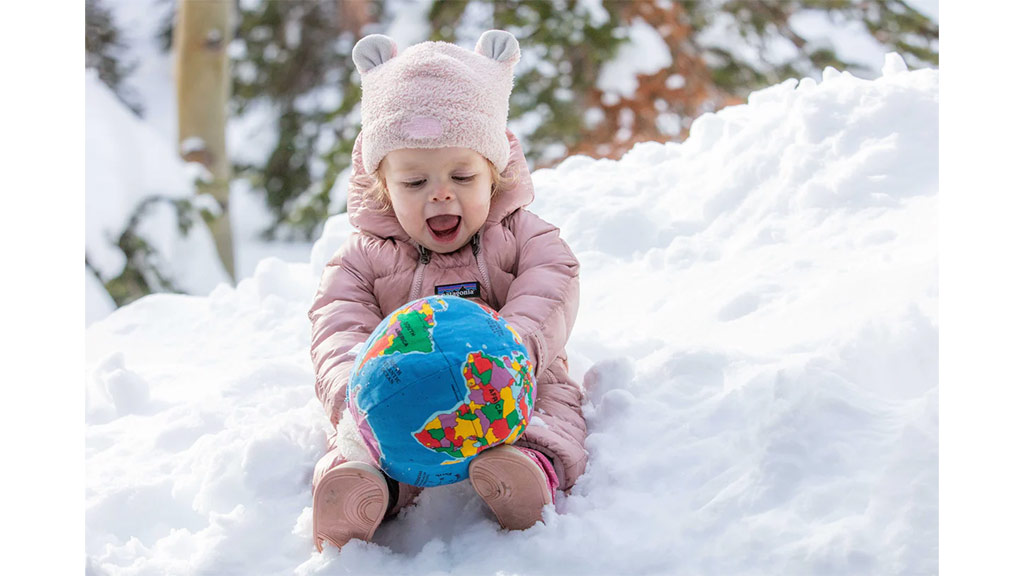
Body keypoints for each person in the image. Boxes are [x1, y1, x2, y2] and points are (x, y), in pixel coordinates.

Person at [308, 30, 586, 552]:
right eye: (414, 183)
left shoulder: (520, 234)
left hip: (510, 380)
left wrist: (517, 344)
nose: (441, 193)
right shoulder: (364, 255)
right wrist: (352, 381)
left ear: (494, 175)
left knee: (552, 404)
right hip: (405, 383)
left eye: (462, 175)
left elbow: (554, 279)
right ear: (383, 187)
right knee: (367, 433)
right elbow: (337, 317)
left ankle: (527, 468)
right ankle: (368, 489)